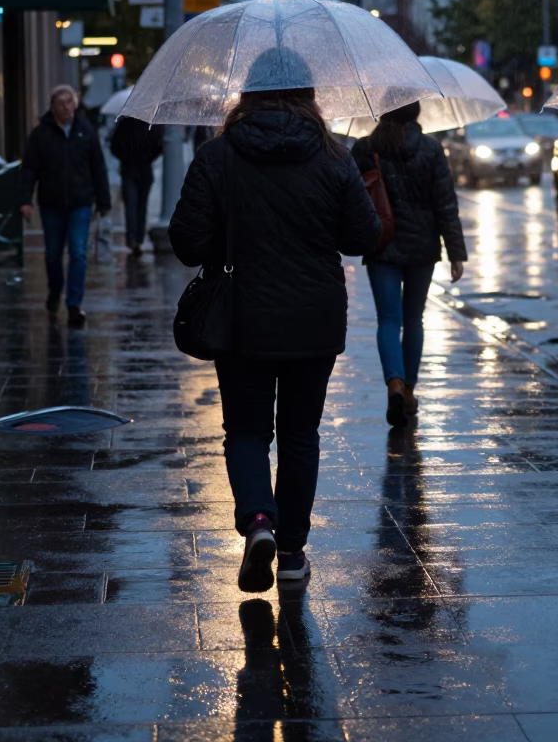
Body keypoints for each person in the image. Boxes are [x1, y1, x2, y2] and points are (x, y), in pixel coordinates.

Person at [168, 81, 381, 593]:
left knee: (245, 431)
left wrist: (230, 229)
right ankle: (291, 553)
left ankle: (259, 521)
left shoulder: (217, 155)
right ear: (309, 96)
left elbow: (186, 242)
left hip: (243, 318)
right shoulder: (334, 155)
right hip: (315, 317)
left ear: (248, 97)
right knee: (300, 435)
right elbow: (363, 236)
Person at [351, 102, 467, 427]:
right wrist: (456, 252)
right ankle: (410, 390)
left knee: (388, 319)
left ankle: (394, 384)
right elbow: (446, 204)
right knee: (413, 320)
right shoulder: (431, 150)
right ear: (416, 114)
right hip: (422, 247)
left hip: (381, 244)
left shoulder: (366, 148)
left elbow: (351, 198)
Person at [19, 84, 111, 327]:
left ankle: (73, 305)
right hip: (51, 204)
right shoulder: (41, 135)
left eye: (70, 103)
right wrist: (25, 200)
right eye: (61, 104)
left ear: (75, 105)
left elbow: (98, 168)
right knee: (52, 254)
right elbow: (29, 170)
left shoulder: (85, 131)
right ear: (53, 107)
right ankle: (54, 291)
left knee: (79, 253)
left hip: (81, 202)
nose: (66, 108)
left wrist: (103, 202)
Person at [109, 116, 163, 254]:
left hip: (129, 169)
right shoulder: (151, 124)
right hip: (144, 169)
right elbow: (159, 146)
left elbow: (114, 146)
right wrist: (147, 158)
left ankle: (133, 238)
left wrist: (125, 157)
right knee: (141, 206)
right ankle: (137, 238)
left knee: (131, 205)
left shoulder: (125, 123)